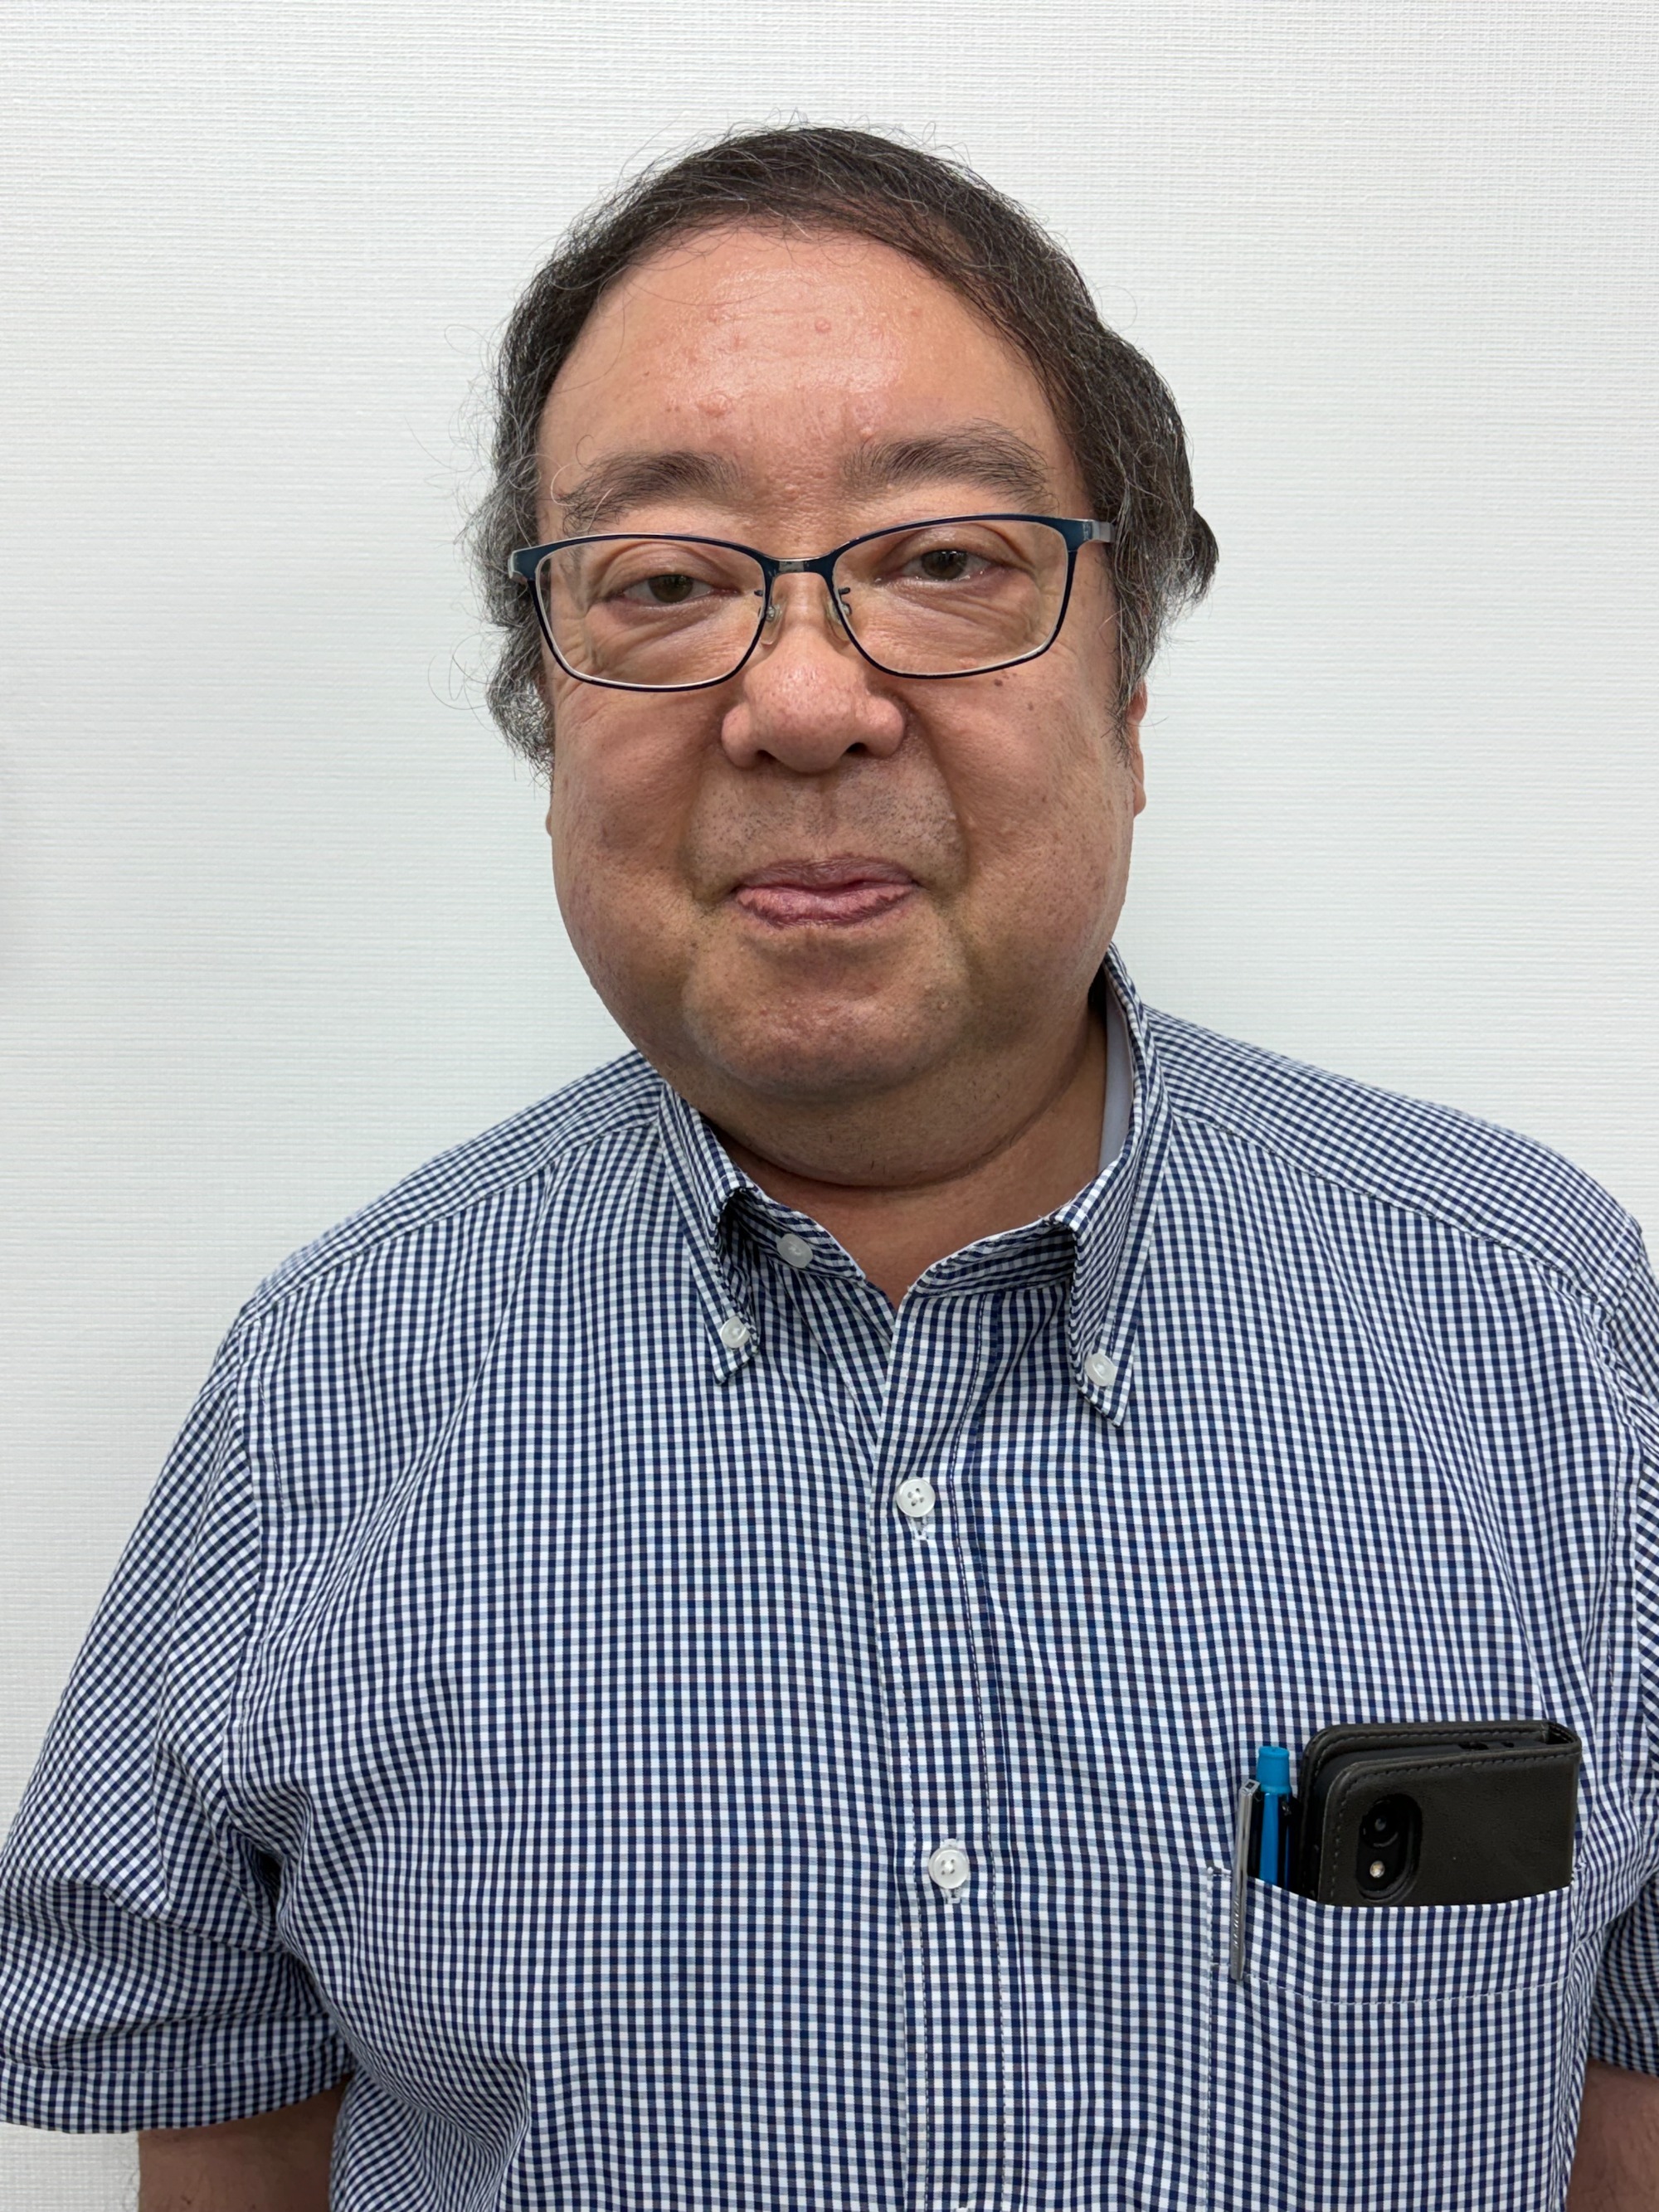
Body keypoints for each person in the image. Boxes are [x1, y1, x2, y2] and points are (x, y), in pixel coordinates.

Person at [1, 124, 1655, 2212]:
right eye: (664, 582)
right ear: (547, 724)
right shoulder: (323, 1386)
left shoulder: (1543, 1323)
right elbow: (226, 2138)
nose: (799, 697)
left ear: (1130, 695)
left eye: (946, 558)